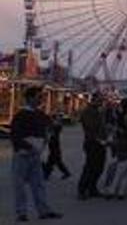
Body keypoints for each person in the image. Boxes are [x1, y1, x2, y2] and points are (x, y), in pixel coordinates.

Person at [10, 86, 62, 221]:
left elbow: (51, 126)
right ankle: (21, 213)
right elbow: (15, 136)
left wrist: (52, 129)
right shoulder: (21, 115)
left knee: (38, 184)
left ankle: (43, 211)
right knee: (20, 185)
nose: (41, 99)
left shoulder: (40, 114)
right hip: (23, 155)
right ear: (30, 98)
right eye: (39, 97)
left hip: (35, 154)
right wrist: (29, 145)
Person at [78, 93, 107, 200]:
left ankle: (92, 188)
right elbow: (90, 127)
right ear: (94, 100)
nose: (101, 102)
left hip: (101, 142)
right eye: (100, 100)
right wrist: (97, 138)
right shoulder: (88, 111)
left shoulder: (99, 111)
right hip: (92, 142)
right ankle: (82, 189)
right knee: (90, 167)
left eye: (102, 100)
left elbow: (101, 127)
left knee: (99, 167)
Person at [42, 113, 71, 180]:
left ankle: (46, 174)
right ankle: (66, 172)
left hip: (54, 145)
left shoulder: (56, 126)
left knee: (52, 160)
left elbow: (51, 132)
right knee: (56, 161)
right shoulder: (54, 125)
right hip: (53, 145)